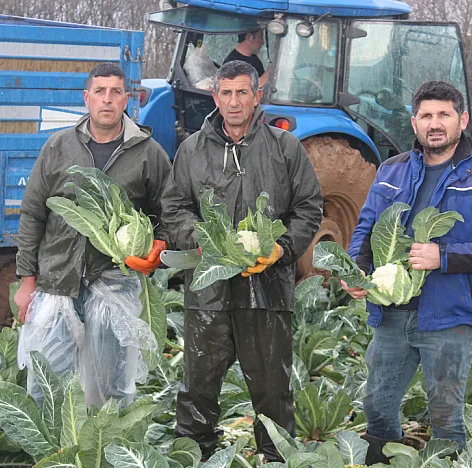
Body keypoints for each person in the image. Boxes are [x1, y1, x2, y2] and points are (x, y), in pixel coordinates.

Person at [343, 80, 472, 461]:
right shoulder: (392, 170)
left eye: (444, 114)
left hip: (450, 316)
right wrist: (357, 270)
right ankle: (383, 459)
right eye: (426, 115)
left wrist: (445, 255)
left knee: (444, 416)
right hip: (392, 313)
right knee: (376, 407)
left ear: (463, 120)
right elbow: (366, 228)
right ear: (414, 122)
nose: (434, 123)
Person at [161, 60, 323, 461]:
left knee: (272, 389)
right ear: (215, 97)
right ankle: (193, 455)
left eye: (242, 93)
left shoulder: (285, 149)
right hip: (209, 291)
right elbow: (174, 207)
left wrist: (281, 250)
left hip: (266, 290)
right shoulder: (192, 150)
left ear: (257, 96)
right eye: (226, 93)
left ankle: (275, 457)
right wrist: (202, 239)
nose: (234, 102)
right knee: (198, 387)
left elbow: (308, 209)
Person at [14, 62, 171, 406]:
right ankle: (53, 454)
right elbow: (33, 213)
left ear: (127, 99)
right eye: (99, 91)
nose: (107, 100)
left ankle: (105, 450)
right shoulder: (58, 147)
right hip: (57, 280)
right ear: (87, 98)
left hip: (115, 280)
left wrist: (156, 249)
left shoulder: (149, 153)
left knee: (113, 385)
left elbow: (169, 213)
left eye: (116, 92)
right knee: (47, 386)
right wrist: (27, 280)